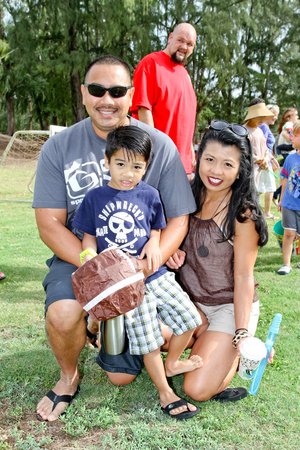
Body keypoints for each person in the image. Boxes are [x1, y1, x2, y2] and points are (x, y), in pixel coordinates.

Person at [33, 55, 198, 422]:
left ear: (131, 95)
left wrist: (142, 264)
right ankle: (68, 376)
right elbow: (49, 224)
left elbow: (177, 220)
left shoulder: (159, 146)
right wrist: (98, 270)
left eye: (117, 91)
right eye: (97, 90)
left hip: (141, 265)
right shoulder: (58, 147)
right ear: (83, 94)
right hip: (83, 253)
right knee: (62, 313)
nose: (107, 99)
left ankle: (128, 333)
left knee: (121, 376)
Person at [73, 125, 202, 419]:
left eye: (136, 167)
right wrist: (90, 258)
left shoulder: (150, 194)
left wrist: (156, 244)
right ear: (106, 162)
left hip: (154, 275)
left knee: (190, 320)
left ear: (146, 166)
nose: (128, 173)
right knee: (149, 340)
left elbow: (157, 225)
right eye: (120, 164)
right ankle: (165, 391)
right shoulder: (95, 198)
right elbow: (88, 236)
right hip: (125, 287)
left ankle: (174, 363)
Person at [168, 120, 268, 402]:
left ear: (240, 171)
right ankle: (204, 340)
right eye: (210, 159)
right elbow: (164, 233)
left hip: (227, 306)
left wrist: (241, 333)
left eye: (227, 164)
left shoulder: (242, 214)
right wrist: (170, 252)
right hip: (190, 302)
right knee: (153, 337)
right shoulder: (186, 192)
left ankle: (232, 354)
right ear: (199, 157)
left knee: (196, 390)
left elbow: (244, 277)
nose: (215, 171)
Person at [130, 23, 197, 177]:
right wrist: (155, 154)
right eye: (180, 40)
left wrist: (191, 152)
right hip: (158, 163)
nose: (184, 47)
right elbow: (143, 111)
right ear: (170, 37)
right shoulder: (151, 63)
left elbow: (186, 120)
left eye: (190, 44)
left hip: (183, 166)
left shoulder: (185, 75)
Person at [244, 99, 280, 219]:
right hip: (248, 171)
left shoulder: (260, 131)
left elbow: (265, 149)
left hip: (260, 170)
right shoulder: (243, 131)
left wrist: (265, 158)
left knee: (256, 196)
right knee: (246, 197)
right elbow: (241, 151)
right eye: (258, 116)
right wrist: (256, 159)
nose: (261, 119)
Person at [277, 120, 300, 275]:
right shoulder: (290, 159)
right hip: (289, 204)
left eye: (296, 135)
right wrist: (281, 199)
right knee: (289, 233)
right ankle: (286, 264)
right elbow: (284, 180)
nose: (292, 138)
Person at [259, 104, 281, 214]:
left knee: (260, 187)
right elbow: (262, 145)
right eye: (273, 114)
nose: (275, 117)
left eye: (276, 115)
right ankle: (266, 213)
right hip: (264, 161)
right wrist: (269, 159)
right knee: (270, 186)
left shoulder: (264, 126)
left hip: (267, 160)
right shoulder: (263, 127)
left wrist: (272, 158)